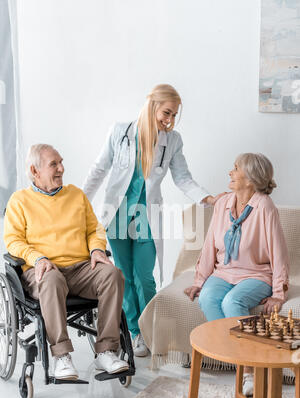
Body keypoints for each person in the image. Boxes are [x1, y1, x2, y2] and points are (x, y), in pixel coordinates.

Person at [82, 84, 225, 357]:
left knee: (144, 277)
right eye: (166, 112)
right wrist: (78, 201)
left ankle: (151, 329)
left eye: (173, 115)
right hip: (117, 216)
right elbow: (99, 169)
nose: (170, 120)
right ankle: (136, 332)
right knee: (122, 276)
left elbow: (182, 177)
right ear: (152, 106)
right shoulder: (120, 131)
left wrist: (207, 198)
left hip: (147, 216)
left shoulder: (172, 141)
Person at [4, 144, 129, 379]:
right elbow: (13, 241)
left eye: (61, 162)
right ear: (35, 170)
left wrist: (96, 250)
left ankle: (106, 351)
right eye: (54, 164)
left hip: (81, 268)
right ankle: (62, 355)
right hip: (42, 270)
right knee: (52, 280)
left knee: (113, 274)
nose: (61, 168)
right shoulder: (20, 201)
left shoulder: (76, 195)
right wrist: (38, 258)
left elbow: (94, 229)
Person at [184, 152, 289, 396]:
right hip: (224, 272)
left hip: (256, 274)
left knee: (233, 301)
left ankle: (250, 371)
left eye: (235, 169)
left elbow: (278, 250)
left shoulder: (264, 206)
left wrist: (278, 293)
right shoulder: (222, 203)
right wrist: (199, 281)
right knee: (208, 298)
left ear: (251, 180)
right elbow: (210, 244)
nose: (230, 173)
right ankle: (242, 362)